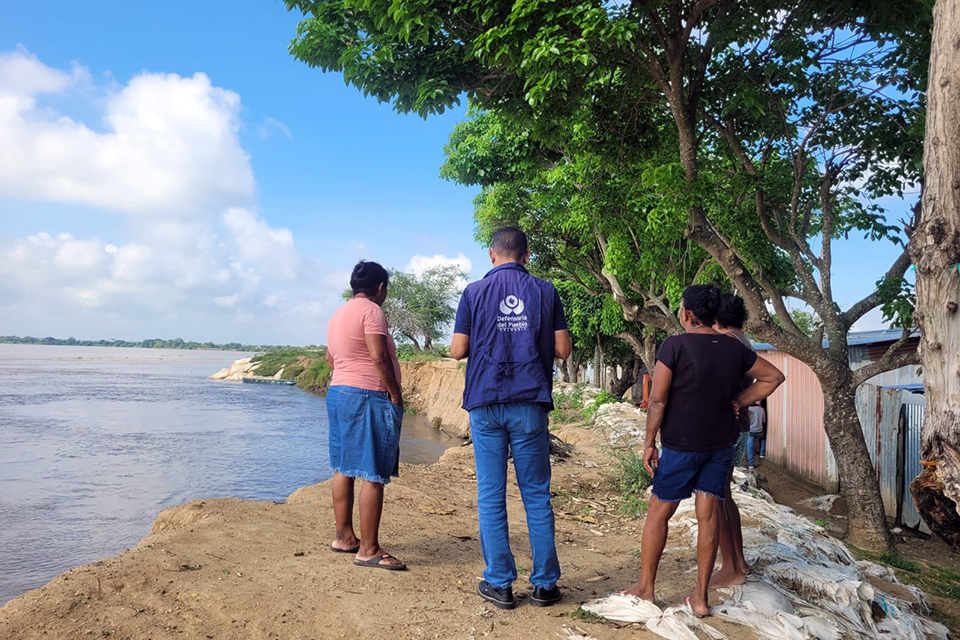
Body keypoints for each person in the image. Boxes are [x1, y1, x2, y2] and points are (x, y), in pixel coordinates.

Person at [623, 285, 784, 617]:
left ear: (687, 314)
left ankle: (647, 589)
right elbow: (774, 376)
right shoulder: (732, 348)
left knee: (659, 512)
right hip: (720, 445)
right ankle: (699, 599)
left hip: (682, 445)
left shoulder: (674, 346)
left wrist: (649, 442)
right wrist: (739, 401)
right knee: (708, 516)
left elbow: (658, 399)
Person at [450, 227, 572, 610]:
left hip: (485, 403)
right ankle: (544, 586)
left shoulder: (473, 293)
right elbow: (564, 350)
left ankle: (500, 584)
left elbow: (457, 351)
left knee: (491, 495)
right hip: (529, 402)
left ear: (491, 255)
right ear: (526, 255)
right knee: (536, 494)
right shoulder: (546, 291)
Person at [325, 260, 406, 570]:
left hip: (339, 393)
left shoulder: (339, 313)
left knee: (343, 467)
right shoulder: (372, 311)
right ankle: (369, 549)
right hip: (369, 395)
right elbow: (378, 356)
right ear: (380, 288)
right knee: (373, 473)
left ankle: (344, 536)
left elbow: (331, 358)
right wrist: (395, 393)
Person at [709, 293, 754, 589]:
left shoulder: (728, 343)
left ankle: (730, 568)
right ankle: (738, 560)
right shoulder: (742, 340)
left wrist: (737, 400)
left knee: (717, 498)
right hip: (739, 426)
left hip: (727, 427)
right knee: (725, 496)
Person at [746, 404, 767, 469]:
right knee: (763, 438)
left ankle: (751, 464)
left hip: (751, 431)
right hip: (759, 431)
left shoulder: (747, 409)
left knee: (749, 446)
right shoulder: (761, 409)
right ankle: (762, 453)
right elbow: (764, 420)